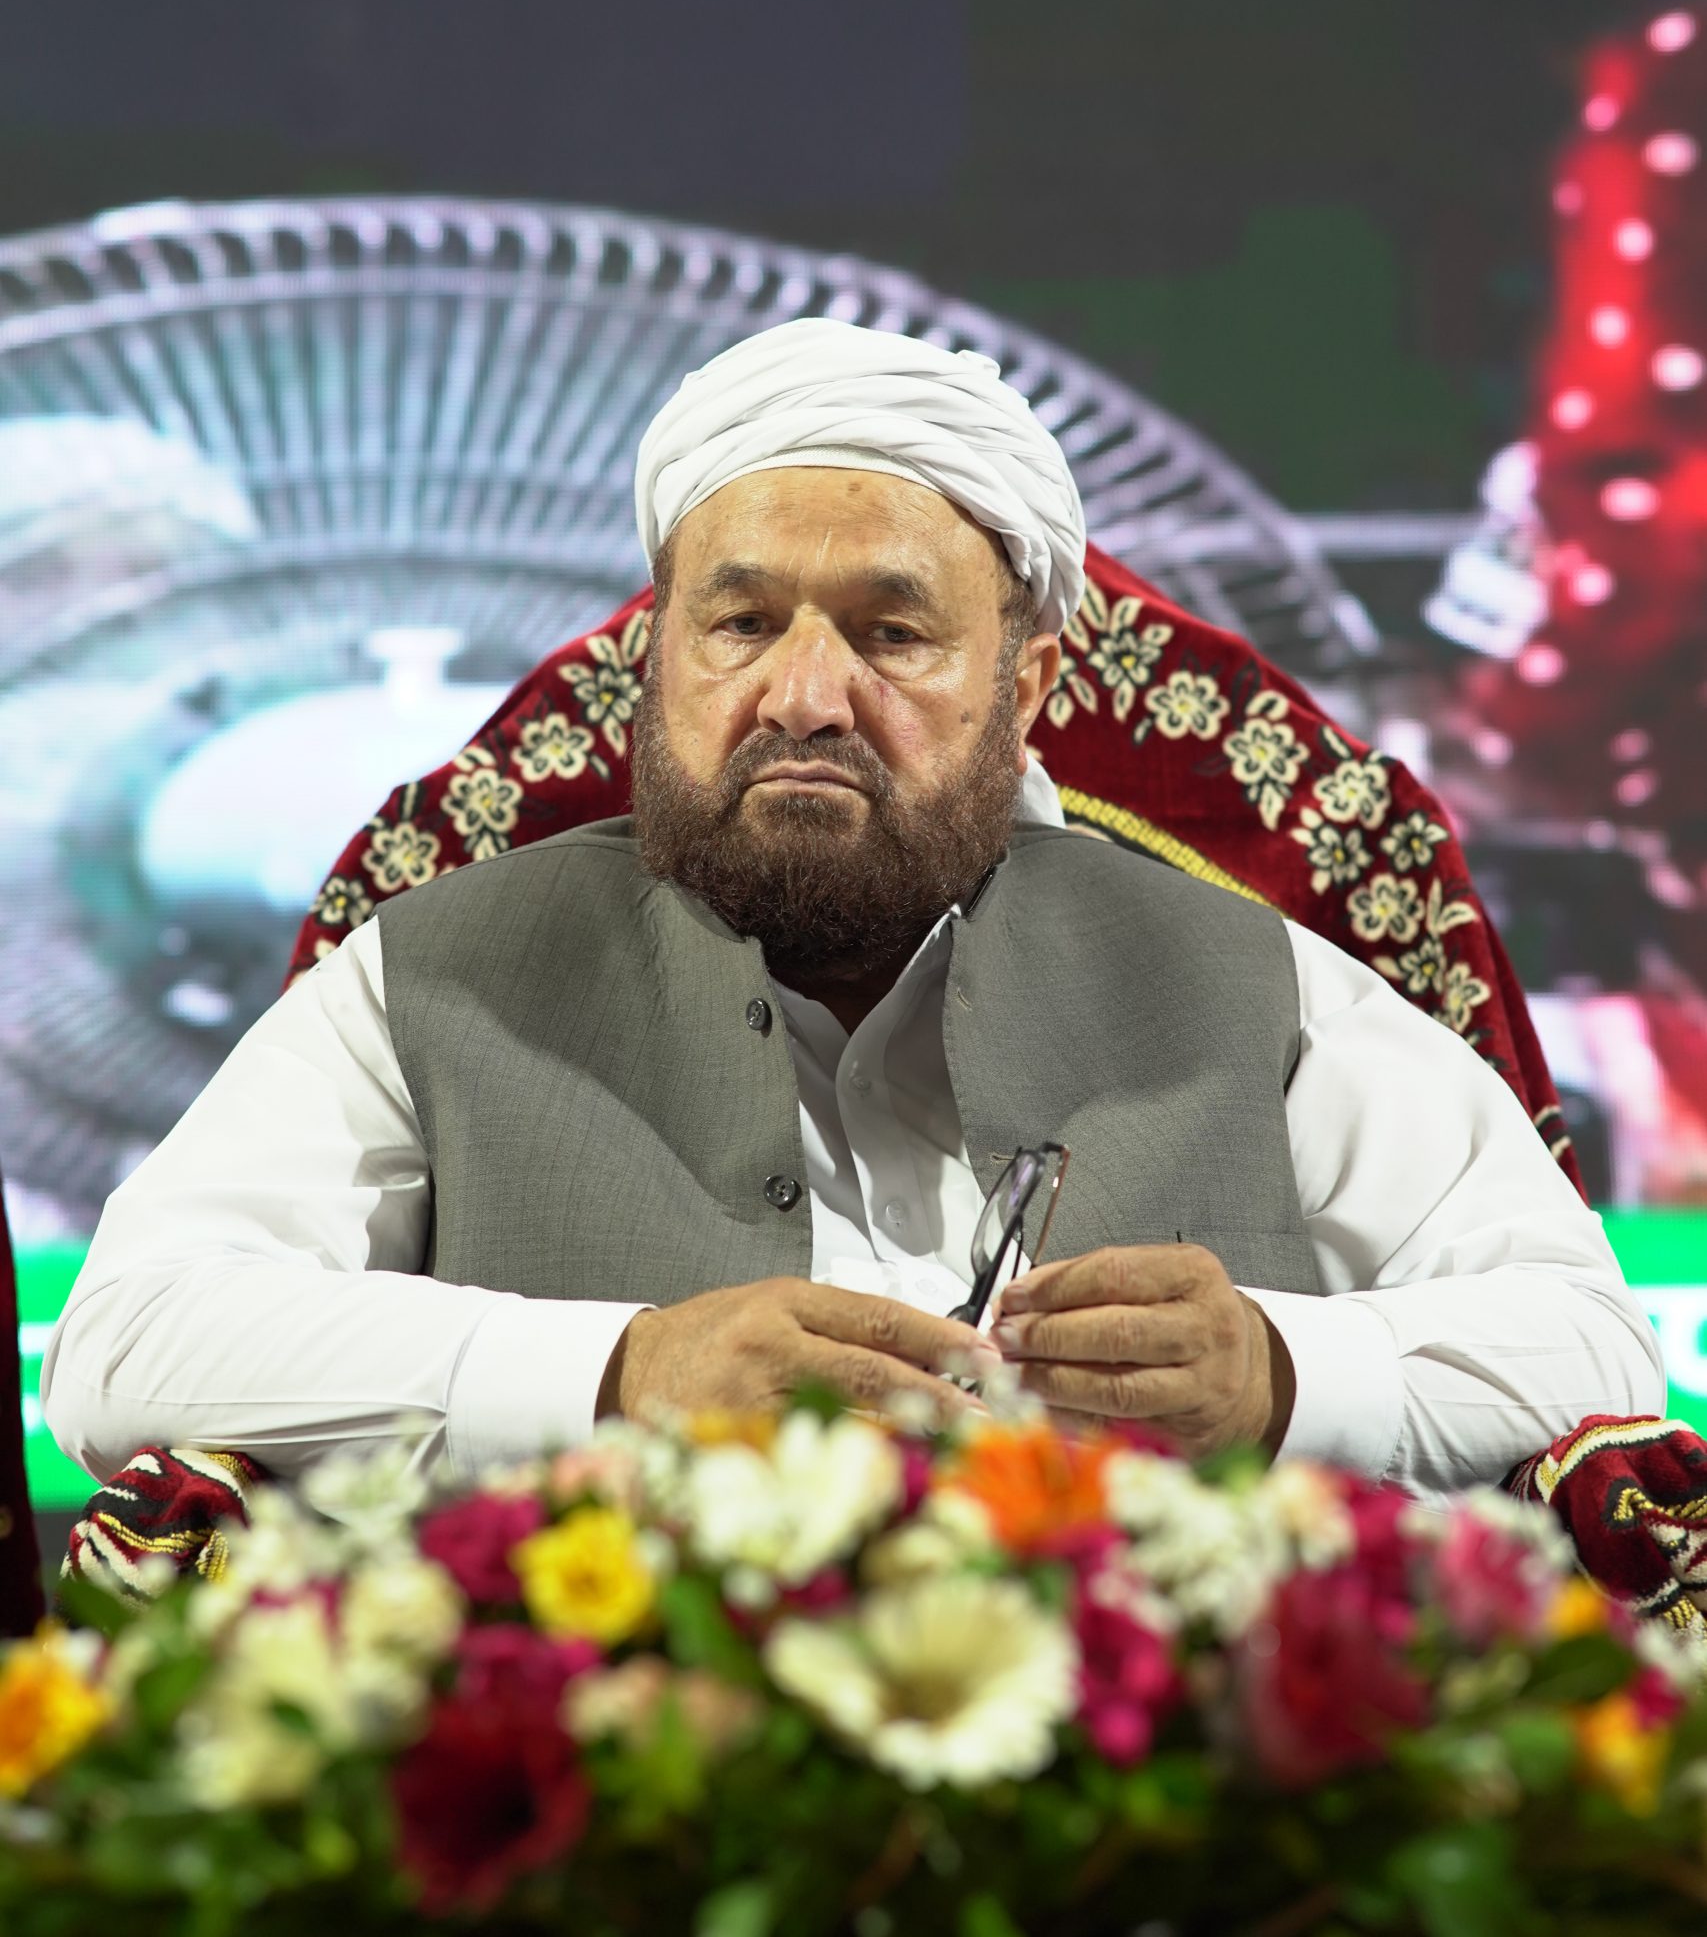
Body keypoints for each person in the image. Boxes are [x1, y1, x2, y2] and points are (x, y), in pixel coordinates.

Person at [44, 321, 1663, 1499]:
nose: (804, 696)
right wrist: (614, 1376)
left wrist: (1284, 1375)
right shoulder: (436, 973)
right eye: (742, 624)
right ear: (656, 658)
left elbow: (1590, 1340)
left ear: (1030, 684)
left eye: (892, 635)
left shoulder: (1251, 980)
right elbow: (124, 1347)